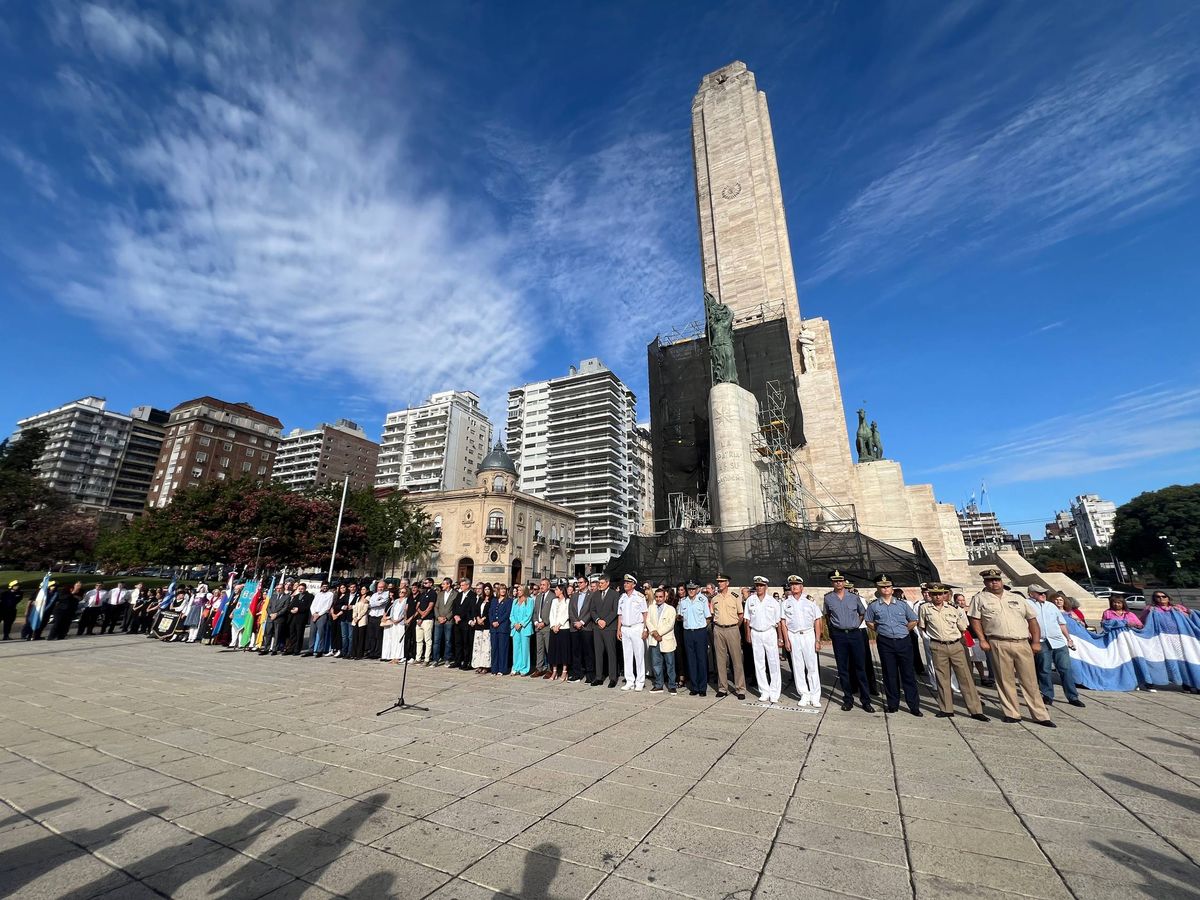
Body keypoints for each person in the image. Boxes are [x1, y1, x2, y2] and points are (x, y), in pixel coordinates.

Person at [968, 568, 1053, 726]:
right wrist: (982, 639)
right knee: (1004, 680)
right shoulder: (979, 598)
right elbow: (975, 620)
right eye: (990, 580)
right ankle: (1012, 713)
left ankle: (1040, 715)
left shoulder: (1017, 598)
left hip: (1021, 642)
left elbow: (1032, 620)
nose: (994, 583)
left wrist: (1035, 641)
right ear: (985, 582)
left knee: (1030, 681)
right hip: (997, 641)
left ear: (1001, 581)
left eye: (997, 580)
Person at [918, 584, 989, 720]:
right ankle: (946, 709)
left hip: (956, 645)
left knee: (965, 677)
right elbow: (923, 626)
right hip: (938, 645)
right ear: (930, 595)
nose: (937, 597)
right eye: (934, 594)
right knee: (942, 678)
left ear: (944, 594)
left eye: (940, 594)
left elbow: (963, 627)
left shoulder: (953, 608)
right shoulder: (924, 608)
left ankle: (975, 710)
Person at [865, 574, 922, 716]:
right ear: (878, 588)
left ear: (892, 588)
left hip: (903, 640)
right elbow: (869, 621)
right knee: (889, 674)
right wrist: (880, 630)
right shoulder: (874, 606)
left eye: (888, 586)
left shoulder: (902, 604)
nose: (885, 589)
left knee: (908, 674)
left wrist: (903, 630)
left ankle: (913, 705)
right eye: (882, 586)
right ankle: (892, 704)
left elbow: (913, 620)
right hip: (885, 642)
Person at [824, 570, 874, 712]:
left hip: (854, 634)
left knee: (860, 667)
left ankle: (866, 700)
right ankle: (848, 699)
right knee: (843, 669)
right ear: (832, 582)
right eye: (835, 581)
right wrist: (834, 630)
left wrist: (855, 625)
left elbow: (862, 613)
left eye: (841, 580)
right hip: (839, 636)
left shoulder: (853, 597)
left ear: (845, 581)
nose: (838, 583)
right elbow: (828, 616)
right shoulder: (828, 598)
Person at [1029, 584, 1084, 708]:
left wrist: (1068, 639)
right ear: (1031, 594)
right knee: (1044, 669)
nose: (1043, 595)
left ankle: (1072, 696)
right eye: (1039, 593)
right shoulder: (1027, 604)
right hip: (1041, 641)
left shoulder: (1051, 606)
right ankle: (1048, 695)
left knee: (1065, 669)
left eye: (1044, 593)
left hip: (1058, 641)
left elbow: (1062, 623)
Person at [780, 575, 822, 707]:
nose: (794, 587)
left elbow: (817, 620)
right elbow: (783, 622)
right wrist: (786, 640)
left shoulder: (810, 601)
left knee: (812, 666)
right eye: (791, 584)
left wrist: (818, 639)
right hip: (793, 635)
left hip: (808, 634)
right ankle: (804, 694)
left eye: (796, 584)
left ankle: (815, 696)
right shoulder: (786, 603)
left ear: (802, 586)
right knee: (798, 667)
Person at [744, 576, 783, 704]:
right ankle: (764, 691)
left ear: (766, 586)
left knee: (773, 663)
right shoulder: (750, 600)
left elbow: (778, 621)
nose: (759, 588)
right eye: (757, 585)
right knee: (759, 663)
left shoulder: (773, 601)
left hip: (769, 632)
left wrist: (780, 638)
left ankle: (775, 692)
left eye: (761, 585)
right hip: (756, 632)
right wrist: (748, 634)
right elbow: (747, 619)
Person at [711, 574, 747, 700]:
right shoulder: (715, 598)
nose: (719, 583)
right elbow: (712, 614)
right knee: (720, 660)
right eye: (718, 582)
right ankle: (722, 688)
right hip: (718, 628)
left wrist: (736, 627)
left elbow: (741, 615)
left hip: (732, 628)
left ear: (727, 583)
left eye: (722, 581)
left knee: (736, 659)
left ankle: (740, 688)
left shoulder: (735, 597)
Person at [678, 581, 711, 696]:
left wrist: (700, 628)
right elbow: (680, 617)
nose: (691, 591)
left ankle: (702, 687)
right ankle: (694, 686)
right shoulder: (683, 601)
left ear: (697, 589)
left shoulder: (703, 600)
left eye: (693, 589)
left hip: (700, 632)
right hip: (688, 632)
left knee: (701, 659)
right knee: (691, 660)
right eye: (689, 589)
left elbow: (708, 617)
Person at [617, 574, 648, 691]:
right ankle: (629, 680)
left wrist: (645, 629)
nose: (625, 584)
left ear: (634, 584)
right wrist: (619, 629)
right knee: (627, 655)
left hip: (636, 627)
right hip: (625, 628)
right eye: (625, 582)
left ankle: (640, 681)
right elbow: (620, 615)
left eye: (628, 582)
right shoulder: (622, 598)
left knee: (639, 655)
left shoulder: (640, 597)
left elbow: (645, 614)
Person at [590, 574, 621, 688]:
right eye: (599, 583)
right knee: (598, 653)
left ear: (607, 583)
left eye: (602, 583)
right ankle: (599, 677)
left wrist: (605, 622)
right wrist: (598, 620)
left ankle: (613, 678)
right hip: (597, 628)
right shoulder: (595, 595)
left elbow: (615, 611)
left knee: (611, 653)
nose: (600, 585)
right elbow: (592, 610)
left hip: (609, 628)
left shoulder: (614, 594)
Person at [646, 585, 678, 694]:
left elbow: (670, 624)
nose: (659, 599)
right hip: (655, 640)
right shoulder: (651, 608)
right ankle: (658, 685)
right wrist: (654, 633)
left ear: (665, 597)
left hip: (666, 640)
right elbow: (648, 621)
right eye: (657, 597)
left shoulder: (671, 609)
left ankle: (672, 685)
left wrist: (659, 633)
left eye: (661, 597)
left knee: (670, 664)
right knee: (656, 664)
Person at [956, 593, 992, 685]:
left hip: (975, 636)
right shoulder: (956, 610)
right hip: (966, 635)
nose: (961, 602)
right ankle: (970, 678)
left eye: (963, 600)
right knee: (969, 659)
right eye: (959, 600)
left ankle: (982, 677)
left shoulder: (971, 610)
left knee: (978, 659)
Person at [568, 576, 595, 683]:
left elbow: (591, 611)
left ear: (586, 583)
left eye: (581, 582)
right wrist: (575, 622)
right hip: (575, 627)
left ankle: (590, 674)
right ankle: (577, 674)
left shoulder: (592, 595)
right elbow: (571, 610)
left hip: (586, 627)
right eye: (578, 583)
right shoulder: (574, 596)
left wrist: (582, 622)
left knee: (588, 652)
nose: (579, 584)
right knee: (576, 652)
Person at [547, 582, 572, 681]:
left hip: (563, 628)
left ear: (561, 590)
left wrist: (559, 624)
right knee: (554, 650)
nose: (555, 591)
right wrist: (553, 625)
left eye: (557, 590)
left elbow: (567, 614)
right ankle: (554, 671)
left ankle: (564, 671)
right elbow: (551, 614)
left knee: (564, 650)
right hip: (554, 629)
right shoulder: (554, 601)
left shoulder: (567, 601)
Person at [509, 586, 535, 676]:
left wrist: (521, 624)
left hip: (525, 628)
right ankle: (516, 667)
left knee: (524, 649)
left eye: (520, 590)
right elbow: (511, 614)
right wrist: (515, 623)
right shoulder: (515, 601)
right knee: (516, 649)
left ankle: (524, 669)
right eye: (518, 590)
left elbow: (529, 614)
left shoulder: (530, 600)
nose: (518, 592)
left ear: (524, 591)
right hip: (515, 628)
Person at [452, 578, 477, 669]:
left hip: (466, 622)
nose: (461, 587)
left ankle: (466, 661)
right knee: (458, 642)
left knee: (466, 643)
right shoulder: (459, 595)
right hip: (457, 622)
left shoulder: (472, 595)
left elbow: (469, 609)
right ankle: (457, 660)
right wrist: (455, 615)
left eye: (462, 585)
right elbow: (454, 606)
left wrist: (460, 617)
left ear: (467, 585)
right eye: (460, 585)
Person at [532, 577, 554, 677]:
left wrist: (544, 623)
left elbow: (552, 613)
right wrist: (536, 622)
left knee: (549, 649)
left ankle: (550, 669)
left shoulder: (552, 597)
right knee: (539, 649)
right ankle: (539, 668)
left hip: (547, 627)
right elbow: (535, 612)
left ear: (548, 586)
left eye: (543, 585)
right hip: (538, 627)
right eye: (541, 585)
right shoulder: (538, 597)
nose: (541, 586)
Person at [489, 584, 513, 675]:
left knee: (503, 649)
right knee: (494, 649)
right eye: (501, 589)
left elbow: (507, 613)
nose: (503, 591)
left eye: (504, 589)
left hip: (503, 627)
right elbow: (490, 612)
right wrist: (492, 622)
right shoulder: (494, 600)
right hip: (493, 628)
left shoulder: (509, 601)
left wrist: (498, 621)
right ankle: (494, 669)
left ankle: (502, 669)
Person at [432, 577, 456, 666]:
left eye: (443, 584)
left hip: (448, 621)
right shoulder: (440, 594)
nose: (442, 586)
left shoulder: (455, 594)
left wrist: (446, 617)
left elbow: (454, 608)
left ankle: (447, 659)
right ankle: (435, 659)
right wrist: (438, 617)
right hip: (438, 621)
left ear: (448, 584)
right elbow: (436, 607)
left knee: (448, 641)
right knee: (436, 641)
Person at [306, 581, 335, 657]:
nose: (324, 588)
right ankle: (310, 650)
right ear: (321, 587)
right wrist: (314, 613)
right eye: (323, 586)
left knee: (321, 633)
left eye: (326, 586)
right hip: (314, 614)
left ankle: (320, 650)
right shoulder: (318, 594)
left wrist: (318, 615)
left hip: (322, 615)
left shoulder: (330, 594)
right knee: (312, 633)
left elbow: (327, 606)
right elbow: (312, 605)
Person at [285, 582, 313, 655]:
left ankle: (297, 650)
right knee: (292, 633)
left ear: (305, 589)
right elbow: (291, 605)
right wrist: (291, 610)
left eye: (302, 589)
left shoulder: (309, 596)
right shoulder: (296, 596)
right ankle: (291, 648)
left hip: (301, 618)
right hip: (293, 617)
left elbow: (308, 607)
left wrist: (299, 609)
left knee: (299, 634)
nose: (300, 590)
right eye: (299, 589)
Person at [381, 585, 407, 664]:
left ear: (406, 593)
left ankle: (398, 657)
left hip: (400, 623)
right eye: (400, 592)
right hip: (394, 622)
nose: (401, 593)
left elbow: (405, 612)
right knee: (394, 639)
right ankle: (393, 656)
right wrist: (392, 619)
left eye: (403, 592)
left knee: (400, 639)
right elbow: (392, 611)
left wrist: (399, 620)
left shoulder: (406, 600)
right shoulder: (396, 601)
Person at [471, 583, 493, 673]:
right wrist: (477, 618)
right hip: (478, 625)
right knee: (478, 645)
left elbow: (490, 612)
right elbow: (476, 610)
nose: (486, 591)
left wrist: (483, 618)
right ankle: (478, 664)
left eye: (488, 589)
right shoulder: (481, 599)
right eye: (485, 589)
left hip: (487, 624)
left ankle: (485, 665)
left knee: (486, 646)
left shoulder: (493, 600)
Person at [413, 579, 435, 665]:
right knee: (419, 640)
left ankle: (427, 659)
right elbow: (417, 605)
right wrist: (420, 614)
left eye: (426, 583)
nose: (424, 585)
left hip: (427, 619)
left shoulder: (432, 593)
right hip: (419, 619)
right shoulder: (422, 593)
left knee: (428, 640)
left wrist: (422, 616)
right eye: (424, 583)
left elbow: (430, 607)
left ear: (431, 583)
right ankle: (418, 657)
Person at [329, 583, 351, 658]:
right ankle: (332, 649)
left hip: (340, 617)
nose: (342, 589)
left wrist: (337, 615)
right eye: (341, 588)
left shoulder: (347, 596)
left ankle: (339, 650)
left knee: (340, 634)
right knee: (333, 633)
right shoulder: (337, 596)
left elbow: (345, 608)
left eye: (344, 587)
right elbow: (333, 606)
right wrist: (332, 614)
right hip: (333, 616)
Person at [350, 587, 370, 660]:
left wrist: (358, 617)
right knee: (355, 637)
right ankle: (353, 653)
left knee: (361, 637)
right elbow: (354, 608)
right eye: (361, 589)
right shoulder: (358, 597)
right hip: (355, 620)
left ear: (367, 590)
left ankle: (359, 654)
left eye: (364, 589)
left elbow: (365, 609)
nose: (362, 591)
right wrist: (354, 617)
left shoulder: (368, 598)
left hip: (362, 619)